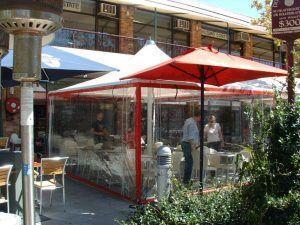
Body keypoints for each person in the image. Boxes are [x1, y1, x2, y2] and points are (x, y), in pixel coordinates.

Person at [181, 111, 201, 185]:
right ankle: (186, 181)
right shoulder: (192, 123)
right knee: (189, 163)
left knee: (188, 162)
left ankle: (186, 180)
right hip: (188, 144)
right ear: (199, 116)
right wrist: (193, 146)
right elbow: (190, 137)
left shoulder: (188, 120)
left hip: (185, 143)